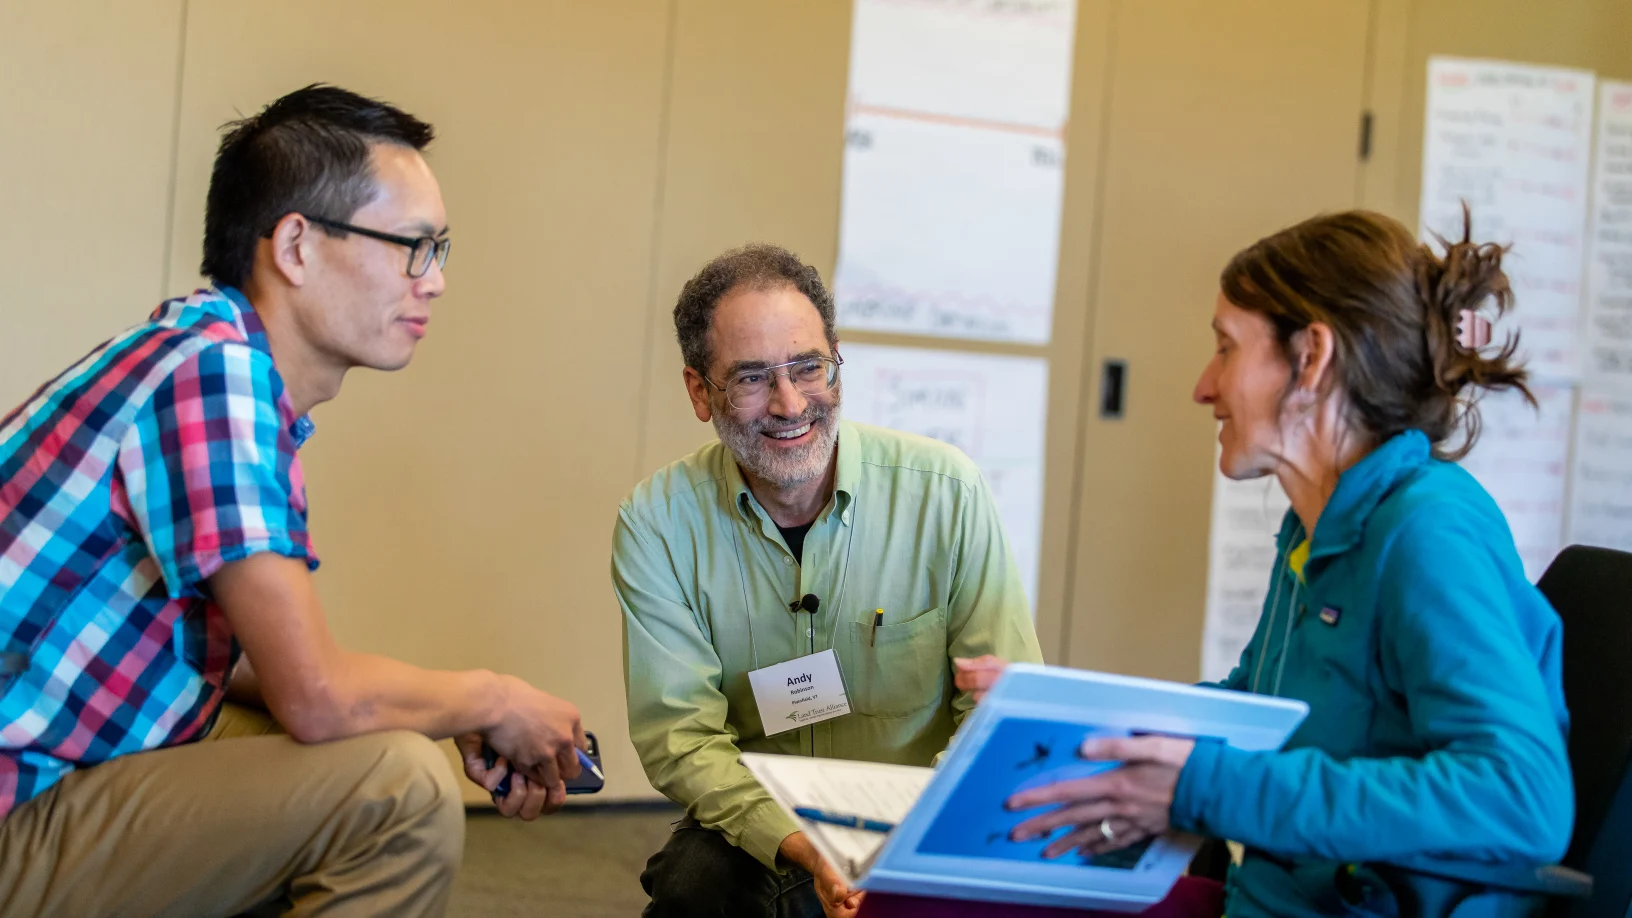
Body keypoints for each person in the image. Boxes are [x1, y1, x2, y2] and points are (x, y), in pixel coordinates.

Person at [860, 209, 1573, 917]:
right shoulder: (1317, 522)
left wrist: (1196, 788)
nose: (1204, 386)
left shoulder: (1428, 531)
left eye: (1227, 348)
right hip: (1258, 898)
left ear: (1312, 358)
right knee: (906, 891)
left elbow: (1521, 796)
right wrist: (1072, 719)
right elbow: (1255, 717)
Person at [0, 85, 587, 917]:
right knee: (396, 790)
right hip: (18, 807)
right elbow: (318, 695)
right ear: (297, 247)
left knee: (361, 745)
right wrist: (491, 697)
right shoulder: (218, 379)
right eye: (413, 247)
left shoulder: (201, 354)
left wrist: (439, 711)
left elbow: (219, 661)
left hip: (50, 771)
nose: (438, 281)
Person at [614, 243, 1044, 918]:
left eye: (808, 368)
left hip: (923, 810)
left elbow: (998, 703)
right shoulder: (658, 522)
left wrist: (902, 840)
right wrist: (798, 844)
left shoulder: (946, 493)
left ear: (837, 361)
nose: (790, 404)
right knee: (693, 887)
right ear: (701, 391)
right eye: (752, 378)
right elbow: (681, 737)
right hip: (767, 817)